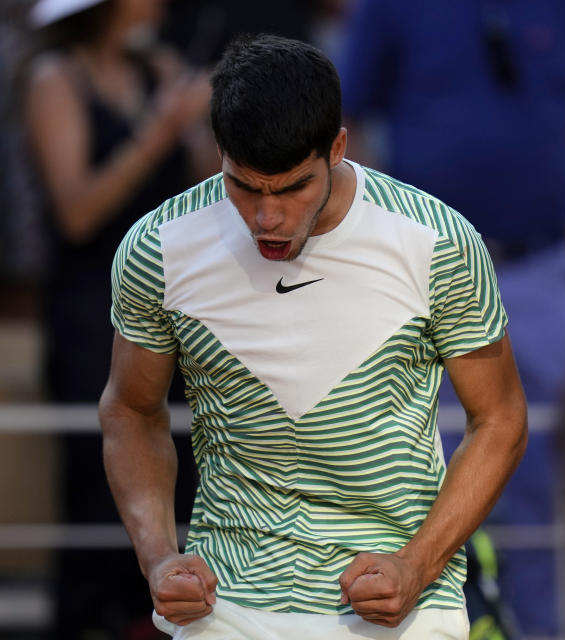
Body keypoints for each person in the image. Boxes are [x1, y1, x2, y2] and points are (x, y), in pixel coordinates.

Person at [100, 35, 528, 639]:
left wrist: (416, 566)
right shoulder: (158, 248)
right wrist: (160, 558)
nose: (267, 216)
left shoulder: (436, 241)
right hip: (226, 604)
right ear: (218, 152)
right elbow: (130, 409)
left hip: (400, 607)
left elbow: (502, 419)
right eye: (244, 187)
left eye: (293, 186)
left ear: (338, 147)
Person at [336, 1, 565, 635]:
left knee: (533, 482)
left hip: (538, 269)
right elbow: (344, 119)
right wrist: (376, 239)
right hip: (423, 279)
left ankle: (540, 628)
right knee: (419, 488)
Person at [22, 0, 214, 636]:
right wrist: (157, 130)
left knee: (183, 487)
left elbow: (207, 183)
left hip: (178, 319)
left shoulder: (160, 69)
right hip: (90, 323)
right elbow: (76, 211)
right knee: (96, 492)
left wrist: (206, 124)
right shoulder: (56, 78)